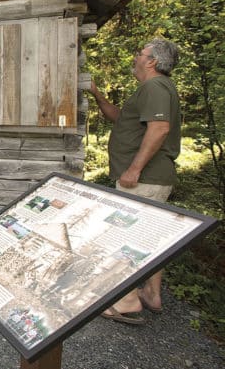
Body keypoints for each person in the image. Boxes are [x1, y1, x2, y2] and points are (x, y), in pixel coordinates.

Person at [88, 38, 181, 324]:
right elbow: (119, 118)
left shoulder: (154, 87)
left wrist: (134, 169)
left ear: (152, 61)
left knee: (127, 236)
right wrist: (98, 96)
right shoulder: (151, 89)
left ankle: (126, 302)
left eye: (140, 53)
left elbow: (160, 128)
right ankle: (151, 294)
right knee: (149, 237)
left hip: (144, 179)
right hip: (151, 179)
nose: (136, 57)